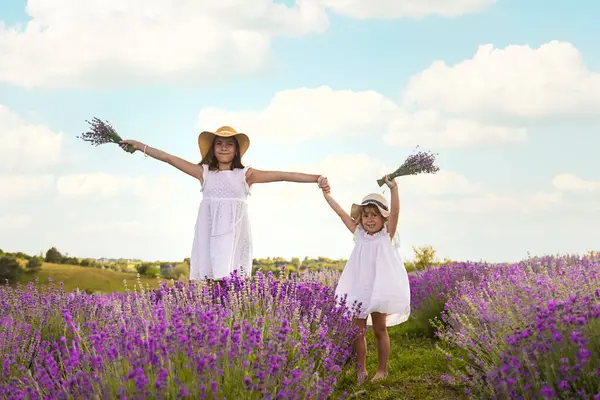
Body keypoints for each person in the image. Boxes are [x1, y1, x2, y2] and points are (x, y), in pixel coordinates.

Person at [120, 125, 330, 281]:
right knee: (212, 279)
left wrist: (316, 178)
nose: (223, 148)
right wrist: (139, 146)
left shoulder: (246, 175)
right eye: (219, 143)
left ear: (237, 150)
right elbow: (168, 158)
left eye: (229, 144)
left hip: (234, 234)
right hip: (209, 233)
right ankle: (216, 324)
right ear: (212, 149)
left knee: (231, 281)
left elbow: (284, 175)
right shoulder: (203, 173)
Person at [321, 176, 410, 384]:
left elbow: (396, 211)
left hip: (380, 288)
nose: (370, 220)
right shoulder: (359, 234)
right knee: (357, 332)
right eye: (366, 215)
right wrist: (327, 196)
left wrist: (394, 188)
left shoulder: (387, 234)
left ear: (383, 218)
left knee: (380, 329)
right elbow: (341, 213)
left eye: (375, 216)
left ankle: (382, 370)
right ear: (360, 218)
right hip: (359, 287)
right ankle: (361, 370)